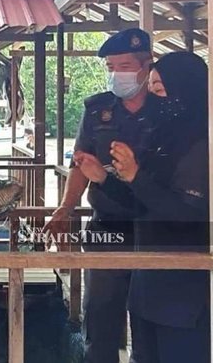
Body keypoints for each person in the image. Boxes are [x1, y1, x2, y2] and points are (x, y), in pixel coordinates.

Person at [76, 52, 210, 362]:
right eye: (152, 90)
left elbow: (188, 214)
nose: (154, 98)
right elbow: (141, 203)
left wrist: (136, 176)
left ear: (185, 90)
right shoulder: (160, 140)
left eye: (160, 90)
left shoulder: (202, 146)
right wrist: (105, 180)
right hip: (148, 280)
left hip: (183, 284)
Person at [44, 28, 155, 363]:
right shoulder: (98, 110)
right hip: (108, 227)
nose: (117, 74)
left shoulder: (167, 111)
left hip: (155, 228)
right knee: (101, 320)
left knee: (150, 321)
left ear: (146, 64)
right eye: (111, 67)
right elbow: (81, 164)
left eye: (124, 65)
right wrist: (65, 208)